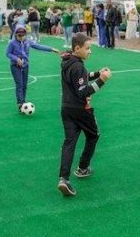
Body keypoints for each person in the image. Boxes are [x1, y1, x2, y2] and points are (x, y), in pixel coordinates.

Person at [57, 33, 111, 196]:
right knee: (93, 135)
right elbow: (82, 91)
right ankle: (82, 168)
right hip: (81, 110)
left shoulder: (68, 61)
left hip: (66, 109)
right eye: (87, 48)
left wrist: (96, 73)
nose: (90, 51)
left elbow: (81, 78)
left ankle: (63, 179)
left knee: (69, 142)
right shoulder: (78, 66)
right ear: (77, 48)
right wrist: (102, 80)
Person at [6, 24, 59, 111]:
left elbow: (39, 46)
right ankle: (20, 104)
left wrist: (51, 49)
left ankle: (23, 101)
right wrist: (16, 59)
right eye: (19, 36)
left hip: (25, 66)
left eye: (23, 35)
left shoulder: (28, 41)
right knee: (19, 85)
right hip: (15, 66)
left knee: (24, 85)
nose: (21, 37)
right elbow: (8, 53)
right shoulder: (12, 43)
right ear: (15, 34)